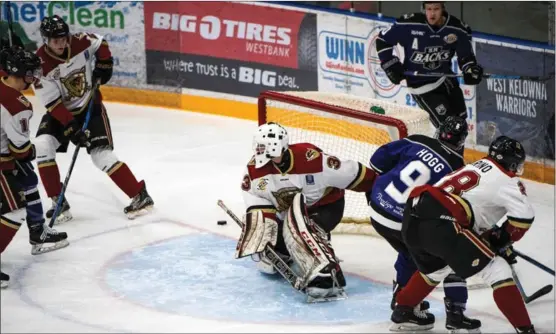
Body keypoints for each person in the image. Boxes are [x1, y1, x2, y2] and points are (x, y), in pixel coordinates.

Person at [391, 136, 536, 333]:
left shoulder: (476, 165)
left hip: (414, 217)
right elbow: (523, 219)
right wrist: (501, 239)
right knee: (497, 269)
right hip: (442, 223)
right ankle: (525, 329)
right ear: (511, 162)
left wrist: (493, 238)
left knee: (437, 268)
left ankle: (404, 310)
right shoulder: (508, 181)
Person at [237, 122, 377, 301]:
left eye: (262, 146)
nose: (258, 150)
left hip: (326, 206)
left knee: (304, 231)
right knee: (281, 236)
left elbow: (353, 174)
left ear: (276, 146)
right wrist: (266, 234)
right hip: (290, 214)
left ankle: (327, 275)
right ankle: (285, 251)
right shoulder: (255, 171)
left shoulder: (312, 160)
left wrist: (377, 188)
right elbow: (256, 201)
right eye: (258, 145)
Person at [32, 15, 153, 222]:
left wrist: (104, 63)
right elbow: (53, 104)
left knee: (101, 156)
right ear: (45, 40)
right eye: (55, 40)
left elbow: (100, 41)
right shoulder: (40, 67)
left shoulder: (80, 41)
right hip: (60, 112)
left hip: (90, 106)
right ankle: (58, 201)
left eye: (63, 38)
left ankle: (139, 195)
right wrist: (71, 127)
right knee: (42, 146)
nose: (61, 43)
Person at [367, 116, 480, 332]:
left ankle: (402, 300)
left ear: (439, 132)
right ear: (462, 141)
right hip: (402, 222)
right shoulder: (457, 169)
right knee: (444, 256)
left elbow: (376, 161)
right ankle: (452, 312)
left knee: (410, 250)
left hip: (376, 209)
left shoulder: (418, 140)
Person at [0, 46, 69, 288]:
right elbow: (20, 151)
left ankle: (37, 230)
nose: (32, 79)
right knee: (14, 211)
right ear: (16, 73)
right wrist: (35, 150)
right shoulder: (17, 105)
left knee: (28, 178)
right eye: (29, 74)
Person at [376, 1, 483, 132]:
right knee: (448, 129)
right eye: (429, 9)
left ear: (443, 8)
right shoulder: (409, 24)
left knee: (460, 124)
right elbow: (382, 40)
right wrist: (390, 64)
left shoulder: (457, 28)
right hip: (421, 87)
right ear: (424, 9)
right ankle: (441, 152)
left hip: (445, 80)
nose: (432, 13)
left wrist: (470, 68)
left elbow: (466, 56)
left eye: (436, 9)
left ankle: (455, 153)